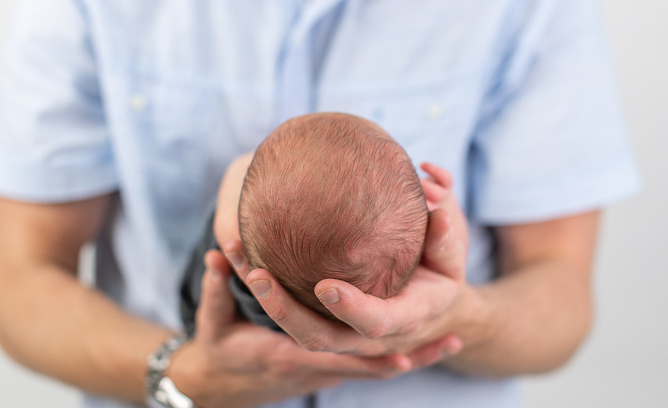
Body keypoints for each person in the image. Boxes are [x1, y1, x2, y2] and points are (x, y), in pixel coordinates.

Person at [0, 0, 640, 408]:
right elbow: (21, 282)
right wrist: (185, 373)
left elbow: (560, 294)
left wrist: (454, 317)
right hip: (184, 407)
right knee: (223, 275)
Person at [180, 112, 467, 329]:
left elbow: (231, 227)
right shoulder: (403, 305)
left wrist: (239, 174)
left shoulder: (250, 279)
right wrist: (445, 204)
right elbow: (453, 257)